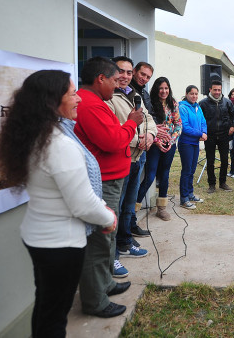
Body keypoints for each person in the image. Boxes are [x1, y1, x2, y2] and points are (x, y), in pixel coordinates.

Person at [0, 70, 118, 335]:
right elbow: (83, 204)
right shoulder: (60, 145)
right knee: (54, 317)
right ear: (52, 101)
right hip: (60, 244)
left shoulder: (34, 136)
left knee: (46, 306)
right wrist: (109, 218)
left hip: (38, 236)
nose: (79, 100)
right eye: (73, 94)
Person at [74, 56, 143, 318]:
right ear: (100, 78)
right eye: (115, 79)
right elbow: (113, 141)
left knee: (109, 236)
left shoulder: (98, 102)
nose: (117, 85)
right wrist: (132, 123)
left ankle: (105, 284)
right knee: (100, 240)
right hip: (105, 181)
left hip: (114, 177)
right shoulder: (90, 105)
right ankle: (95, 301)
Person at [106, 57, 157, 275]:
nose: (125, 76)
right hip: (121, 158)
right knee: (115, 209)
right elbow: (116, 128)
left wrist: (151, 136)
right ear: (111, 73)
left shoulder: (135, 95)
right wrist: (140, 140)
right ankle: (113, 255)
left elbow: (148, 120)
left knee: (129, 205)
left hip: (138, 157)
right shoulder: (108, 98)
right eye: (121, 72)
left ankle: (125, 242)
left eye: (128, 72)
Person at [136, 76, 182, 220]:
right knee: (150, 176)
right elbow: (146, 125)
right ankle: (134, 208)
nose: (163, 91)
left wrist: (171, 140)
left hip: (169, 145)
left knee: (165, 175)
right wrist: (156, 140)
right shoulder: (150, 104)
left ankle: (161, 208)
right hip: (154, 144)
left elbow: (178, 124)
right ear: (156, 89)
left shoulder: (173, 103)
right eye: (161, 88)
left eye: (166, 88)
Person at [128, 62, 155, 221]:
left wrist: (150, 134)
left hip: (143, 148)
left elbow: (148, 119)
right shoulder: (123, 92)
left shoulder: (144, 94)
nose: (144, 79)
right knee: (126, 193)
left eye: (148, 77)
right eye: (142, 74)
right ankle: (127, 228)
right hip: (128, 148)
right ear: (135, 71)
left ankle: (131, 222)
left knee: (134, 187)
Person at [199, 80, 234, 193]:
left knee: (225, 160)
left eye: (219, 90)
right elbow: (200, 119)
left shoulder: (227, 102)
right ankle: (212, 184)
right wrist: (202, 132)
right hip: (210, 136)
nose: (217, 92)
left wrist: (233, 126)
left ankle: (223, 183)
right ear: (210, 89)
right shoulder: (203, 103)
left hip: (224, 135)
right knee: (210, 161)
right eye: (215, 90)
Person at [178, 85, 208, 208]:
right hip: (186, 143)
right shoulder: (182, 107)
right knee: (186, 170)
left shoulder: (197, 107)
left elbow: (203, 121)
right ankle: (184, 198)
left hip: (195, 143)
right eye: (192, 94)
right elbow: (184, 127)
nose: (194, 96)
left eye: (196, 94)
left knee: (192, 170)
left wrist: (204, 132)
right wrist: (200, 134)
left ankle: (190, 194)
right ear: (186, 94)